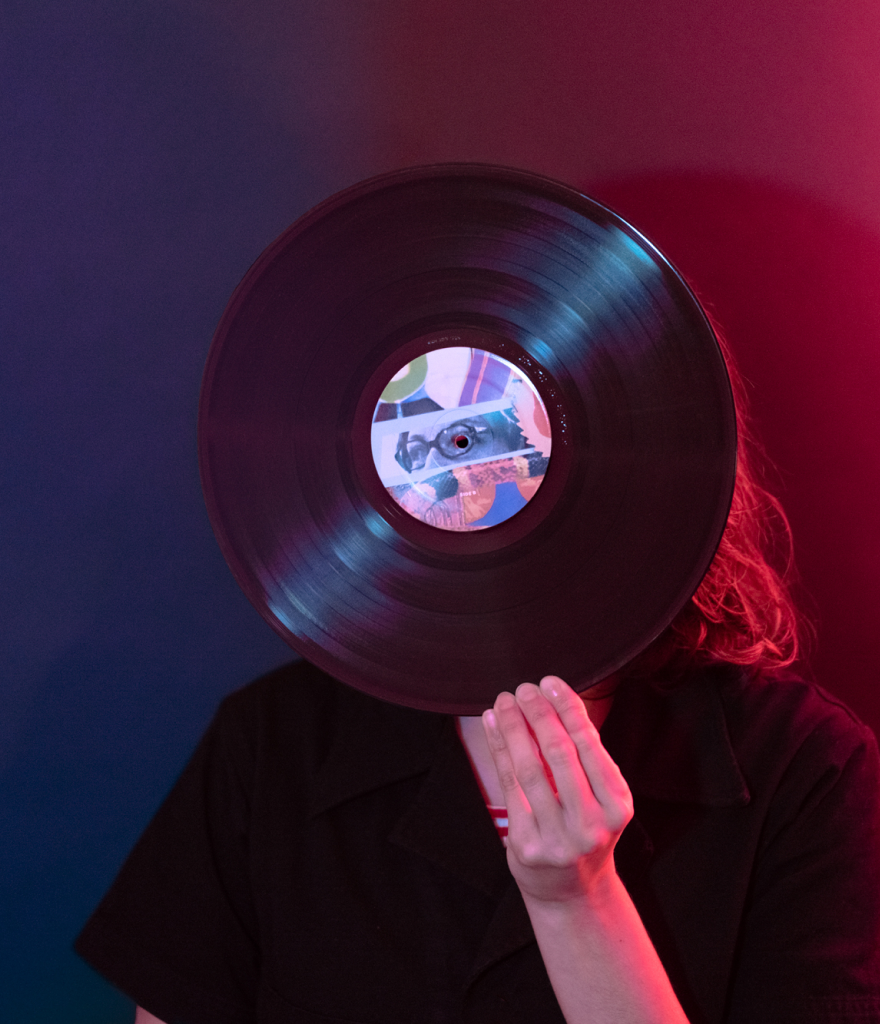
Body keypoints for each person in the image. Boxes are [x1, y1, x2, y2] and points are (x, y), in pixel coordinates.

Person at [75, 334, 880, 1024]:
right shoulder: (270, 747)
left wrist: (580, 900)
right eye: (441, 443)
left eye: (497, 434)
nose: (466, 459)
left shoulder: (809, 772)